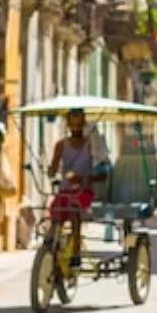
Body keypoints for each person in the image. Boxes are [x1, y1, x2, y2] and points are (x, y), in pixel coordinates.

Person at [46, 107, 108, 263]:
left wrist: (82, 179)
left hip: (84, 191)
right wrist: (51, 171)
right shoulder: (61, 145)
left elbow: (103, 175)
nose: (75, 126)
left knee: (74, 210)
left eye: (78, 121)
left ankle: (76, 252)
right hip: (65, 191)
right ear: (68, 123)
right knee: (56, 212)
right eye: (72, 121)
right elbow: (53, 168)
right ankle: (52, 246)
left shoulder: (92, 145)